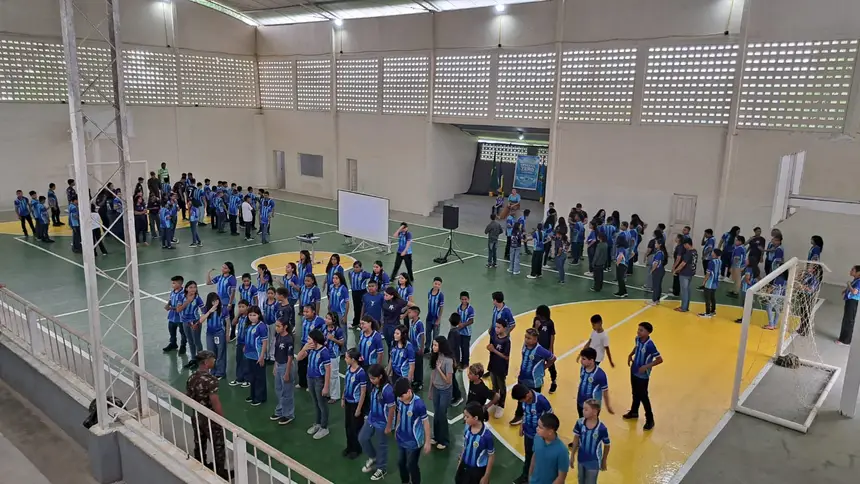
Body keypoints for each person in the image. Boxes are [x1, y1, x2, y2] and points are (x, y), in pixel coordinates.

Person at [185, 350, 229, 479]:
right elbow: (215, 402)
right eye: (212, 359)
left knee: (199, 441)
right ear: (206, 362)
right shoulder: (211, 380)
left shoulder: (191, 378)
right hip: (210, 418)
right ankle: (220, 472)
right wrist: (222, 420)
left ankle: (200, 464)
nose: (214, 361)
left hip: (196, 415)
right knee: (218, 445)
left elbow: (188, 396)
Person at [511, 328, 556, 426]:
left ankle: (536, 418)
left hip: (534, 381)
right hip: (522, 377)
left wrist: (544, 367)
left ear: (535, 339)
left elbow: (552, 358)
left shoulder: (540, 350)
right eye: (526, 337)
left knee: (534, 401)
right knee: (521, 398)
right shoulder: (525, 345)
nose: (526, 340)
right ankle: (519, 415)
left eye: (529, 338)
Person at [623, 322, 663, 430]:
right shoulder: (637, 339)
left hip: (643, 374)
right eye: (638, 329)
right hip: (634, 369)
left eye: (641, 330)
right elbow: (637, 347)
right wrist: (630, 354)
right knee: (635, 392)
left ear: (648, 332)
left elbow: (659, 359)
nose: (638, 332)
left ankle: (650, 419)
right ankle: (634, 411)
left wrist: (646, 366)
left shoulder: (650, 345)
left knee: (643, 396)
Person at [511, 383, 552, 484]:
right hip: (528, 434)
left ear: (527, 395)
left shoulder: (541, 401)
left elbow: (550, 417)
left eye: (521, 400)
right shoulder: (525, 401)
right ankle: (525, 477)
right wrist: (522, 425)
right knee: (528, 456)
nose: (521, 402)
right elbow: (525, 413)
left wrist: (546, 435)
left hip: (539, 436)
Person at [360, 364, 395, 481]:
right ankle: (373, 457)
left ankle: (382, 468)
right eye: (370, 378)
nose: (371, 380)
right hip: (372, 418)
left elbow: (392, 409)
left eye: (373, 378)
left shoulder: (388, 390)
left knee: (382, 445)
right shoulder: (374, 386)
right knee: (362, 438)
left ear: (380, 376)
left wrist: (389, 426)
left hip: (382, 422)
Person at [393, 378, 432, 484]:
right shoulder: (400, 400)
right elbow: (399, 414)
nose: (400, 398)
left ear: (409, 391)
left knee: (411, 465)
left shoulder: (419, 405)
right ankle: (405, 481)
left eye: (402, 396)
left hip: (414, 441)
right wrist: (396, 428)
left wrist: (427, 442)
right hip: (402, 438)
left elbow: (426, 423)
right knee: (401, 463)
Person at [297, 329, 332, 440]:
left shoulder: (324, 352)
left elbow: (328, 370)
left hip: (319, 380)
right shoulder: (310, 349)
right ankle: (317, 423)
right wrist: (304, 348)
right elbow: (299, 358)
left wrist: (326, 386)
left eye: (309, 339)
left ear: (315, 340)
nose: (307, 341)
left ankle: (324, 427)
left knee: (322, 403)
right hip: (310, 378)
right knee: (315, 402)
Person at [570, 399, 611, 484]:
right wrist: (572, 455)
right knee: (581, 481)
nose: (583, 411)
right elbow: (576, 438)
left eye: (586, 409)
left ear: (595, 412)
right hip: (581, 459)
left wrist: (604, 460)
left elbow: (607, 444)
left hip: (593, 462)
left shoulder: (602, 429)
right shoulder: (580, 423)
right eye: (583, 409)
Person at [455, 402, 496, 484]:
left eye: (467, 416)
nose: (464, 419)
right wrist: (460, 463)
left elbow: (491, 456)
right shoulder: (467, 428)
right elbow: (465, 446)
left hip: (477, 471)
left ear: (475, 418)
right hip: (464, 465)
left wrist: (486, 476)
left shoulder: (486, 436)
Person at [429, 336, 455, 449]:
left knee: (441, 415)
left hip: (445, 391)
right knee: (436, 414)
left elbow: (448, 381)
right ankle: (436, 437)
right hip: (436, 389)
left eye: (435, 345)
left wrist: (439, 369)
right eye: (433, 345)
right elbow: (433, 375)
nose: (433, 347)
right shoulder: (435, 356)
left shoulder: (448, 361)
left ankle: (444, 440)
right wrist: (430, 390)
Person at [342, 348, 367, 458]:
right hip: (348, 402)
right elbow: (346, 384)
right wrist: (343, 398)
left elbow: (363, 392)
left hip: (355, 404)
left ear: (353, 359)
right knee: (348, 426)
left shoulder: (361, 373)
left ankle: (357, 449)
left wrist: (359, 408)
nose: (345, 359)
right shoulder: (348, 369)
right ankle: (349, 446)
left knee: (355, 428)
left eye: (347, 358)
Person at [530, 413, 568, 484]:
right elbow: (534, 457)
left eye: (540, 427)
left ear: (550, 432)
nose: (537, 428)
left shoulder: (562, 451)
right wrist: (530, 478)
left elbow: (561, 478)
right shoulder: (537, 438)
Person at [576, 348, 613, 418]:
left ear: (591, 360)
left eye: (584, 359)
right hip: (580, 402)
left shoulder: (600, 375)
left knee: (590, 422)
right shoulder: (583, 368)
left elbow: (605, 391)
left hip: (592, 407)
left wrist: (608, 406)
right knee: (581, 420)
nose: (581, 361)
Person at [243, 306, 269, 406]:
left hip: (258, 356)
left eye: (254, 315)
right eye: (250, 315)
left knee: (259, 377)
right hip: (249, 355)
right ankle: (253, 395)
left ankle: (260, 397)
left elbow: (264, 342)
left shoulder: (261, 327)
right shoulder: (249, 325)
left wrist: (262, 356)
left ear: (259, 315)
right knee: (252, 377)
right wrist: (245, 346)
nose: (252, 317)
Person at [176, 281, 204, 369]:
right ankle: (193, 360)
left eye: (195, 287)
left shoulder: (197, 298)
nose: (193, 289)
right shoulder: (181, 297)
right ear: (186, 288)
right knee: (190, 341)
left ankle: (200, 361)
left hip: (194, 322)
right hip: (185, 322)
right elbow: (178, 310)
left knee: (197, 342)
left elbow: (204, 311)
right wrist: (187, 301)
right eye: (191, 287)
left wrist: (198, 322)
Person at [486, 319, 511, 419]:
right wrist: (489, 348)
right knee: (494, 385)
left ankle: (501, 405)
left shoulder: (506, 341)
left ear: (504, 328)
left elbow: (506, 357)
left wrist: (494, 350)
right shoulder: (494, 337)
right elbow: (491, 348)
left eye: (499, 327)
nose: (496, 329)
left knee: (501, 386)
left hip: (501, 368)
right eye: (496, 327)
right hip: (493, 365)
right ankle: (495, 400)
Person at [298, 304, 326, 389]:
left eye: (307, 312)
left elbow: (323, 335)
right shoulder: (304, 319)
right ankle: (302, 383)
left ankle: (310, 384)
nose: (305, 314)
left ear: (313, 311)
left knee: (311, 364)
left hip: (313, 346)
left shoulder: (320, 321)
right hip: (304, 344)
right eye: (304, 312)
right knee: (301, 363)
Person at [201, 293, 227, 379]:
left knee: (221, 352)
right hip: (209, 334)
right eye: (213, 301)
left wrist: (227, 334)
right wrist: (210, 311)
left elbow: (228, 322)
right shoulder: (206, 309)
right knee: (211, 353)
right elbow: (201, 320)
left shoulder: (223, 309)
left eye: (217, 300)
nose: (215, 303)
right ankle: (213, 371)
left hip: (219, 333)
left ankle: (220, 372)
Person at [533, 305, 558, 393]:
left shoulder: (550, 323)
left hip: (546, 348)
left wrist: (550, 348)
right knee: (538, 364)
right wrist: (536, 327)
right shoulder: (536, 320)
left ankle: (554, 381)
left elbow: (552, 336)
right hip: (538, 348)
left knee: (551, 365)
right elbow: (533, 333)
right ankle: (540, 379)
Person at [324, 312, 345, 403]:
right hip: (325, 354)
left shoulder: (338, 330)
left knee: (334, 375)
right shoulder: (324, 328)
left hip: (334, 355)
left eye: (329, 319)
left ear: (334, 321)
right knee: (326, 374)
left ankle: (335, 396)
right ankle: (328, 393)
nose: (326, 320)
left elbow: (342, 343)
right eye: (326, 318)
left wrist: (333, 339)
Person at [163, 275, 187, 353]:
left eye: (174, 283)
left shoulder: (183, 294)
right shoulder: (173, 292)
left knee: (183, 332)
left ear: (180, 284)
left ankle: (183, 346)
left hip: (181, 317)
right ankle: (173, 344)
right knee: (172, 331)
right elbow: (170, 300)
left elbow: (180, 307)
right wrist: (168, 304)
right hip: (172, 316)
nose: (172, 284)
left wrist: (170, 308)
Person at [228, 300, 250, 388]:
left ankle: (247, 379)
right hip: (239, 342)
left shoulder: (249, 318)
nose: (241, 308)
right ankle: (239, 378)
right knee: (239, 360)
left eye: (243, 307)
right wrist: (238, 314)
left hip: (246, 343)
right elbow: (233, 323)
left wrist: (247, 344)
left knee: (246, 362)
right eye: (239, 307)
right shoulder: (240, 317)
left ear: (247, 307)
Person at [837, 265, 860, 346]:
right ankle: (842, 338)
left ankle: (846, 341)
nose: (851, 271)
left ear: (858, 272)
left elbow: (854, 292)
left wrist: (849, 284)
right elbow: (852, 288)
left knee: (849, 321)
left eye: (853, 270)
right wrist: (845, 290)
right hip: (850, 301)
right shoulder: (856, 280)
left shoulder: (859, 281)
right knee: (846, 319)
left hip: (853, 302)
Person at [382, 287, 408, 352]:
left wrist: (404, 314)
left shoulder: (399, 302)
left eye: (386, 295)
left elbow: (412, 305)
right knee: (388, 344)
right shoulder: (384, 301)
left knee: (394, 344)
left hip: (394, 326)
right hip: (385, 325)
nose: (384, 296)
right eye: (384, 294)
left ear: (392, 296)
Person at [675, 237, 698, 312]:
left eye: (685, 245)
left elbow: (683, 263)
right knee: (687, 290)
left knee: (684, 291)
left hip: (685, 273)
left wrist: (676, 270)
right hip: (691, 272)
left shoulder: (688, 253)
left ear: (687, 244)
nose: (684, 246)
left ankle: (683, 307)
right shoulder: (695, 252)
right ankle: (686, 306)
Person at [407, 306, 426, 391]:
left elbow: (422, 336)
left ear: (415, 313)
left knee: (419, 366)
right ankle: (415, 380)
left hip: (418, 349)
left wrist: (421, 348)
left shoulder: (419, 323)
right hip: (413, 349)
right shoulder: (411, 322)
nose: (408, 314)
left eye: (410, 312)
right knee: (414, 365)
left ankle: (420, 382)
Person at [700, 249, 722, 318]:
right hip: (715, 282)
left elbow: (708, 273)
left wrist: (704, 282)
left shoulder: (711, 262)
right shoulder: (720, 261)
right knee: (712, 297)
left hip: (710, 283)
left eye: (712, 252)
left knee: (707, 298)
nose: (711, 253)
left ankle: (707, 313)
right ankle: (713, 311)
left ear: (714, 254)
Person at [426, 277, 446, 353]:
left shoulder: (441, 295)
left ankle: (434, 350)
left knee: (435, 336)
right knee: (428, 334)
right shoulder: (429, 293)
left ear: (440, 285)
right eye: (435, 283)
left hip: (436, 319)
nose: (437, 285)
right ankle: (427, 348)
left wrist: (439, 319)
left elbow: (441, 307)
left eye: (438, 284)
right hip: (429, 318)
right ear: (433, 283)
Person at [350, 261, 372, 329]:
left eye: (357, 267)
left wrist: (371, 287)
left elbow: (372, 276)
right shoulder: (351, 273)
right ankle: (355, 323)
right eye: (354, 267)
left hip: (362, 292)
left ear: (361, 267)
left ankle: (362, 324)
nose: (355, 269)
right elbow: (350, 280)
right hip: (354, 292)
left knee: (363, 308)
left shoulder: (364, 274)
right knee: (356, 308)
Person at [455, 291, 474, 368]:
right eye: (462, 299)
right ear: (460, 299)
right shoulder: (458, 308)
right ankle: (461, 361)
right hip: (460, 332)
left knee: (465, 348)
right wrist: (459, 323)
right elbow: (458, 318)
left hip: (467, 333)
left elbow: (471, 321)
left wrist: (463, 325)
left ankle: (466, 363)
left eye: (465, 299)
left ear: (468, 299)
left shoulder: (470, 309)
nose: (464, 301)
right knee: (460, 347)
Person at [649, 238, 667, 304]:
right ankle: (657, 299)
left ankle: (654, 300)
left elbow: (656, 263)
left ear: (660, 244)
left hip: (658, 270)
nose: (655, 244)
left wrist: (652, 270)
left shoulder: (659, 253)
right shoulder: (660, 252)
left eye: (656, 243)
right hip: (660, 270)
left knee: (656, 285)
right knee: (658, 285)